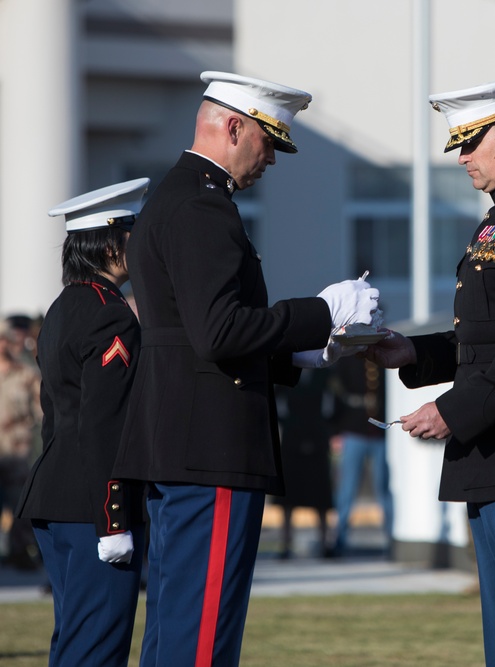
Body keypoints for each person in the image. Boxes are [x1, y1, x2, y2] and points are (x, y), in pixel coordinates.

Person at [113, 71, 380, 666]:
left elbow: (189, 333)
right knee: (201, 635)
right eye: (268, 142)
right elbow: (220, 332)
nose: (271, 161)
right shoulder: (203, 208)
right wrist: (321, 311)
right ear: (234, 127)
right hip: (212, 446)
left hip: (180, 440)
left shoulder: (175, 198)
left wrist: (302, 351)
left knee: (177, 625)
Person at [367, 71, 495, 666]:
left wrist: (452, 410)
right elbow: (488, 334)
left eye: (471, 139)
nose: (460, 155)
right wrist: (416, 353)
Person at [15, 179, 150, 666]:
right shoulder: (110, 315)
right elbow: (104, 424)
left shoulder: (62, 308)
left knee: (74, 640)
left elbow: (60, 417)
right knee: (95, 646)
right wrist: (113, 519)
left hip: (57, 496)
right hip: (93, 506)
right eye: (137, 235)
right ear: (112, 243)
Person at [329, 356, 393, 557]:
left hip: (379, 432)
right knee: (347, 489)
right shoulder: (347, 359)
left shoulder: (381, 358)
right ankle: (340, 539)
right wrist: (336, 431)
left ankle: (392, 541)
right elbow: (337, 396)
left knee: (383, 488)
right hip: (352, 429)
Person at [273, 366, 334, 559]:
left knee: (321, 498)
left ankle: (325, 543)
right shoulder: (287, 370)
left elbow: (333, 407)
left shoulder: (325, 373)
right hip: (292, 442)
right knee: (287, 499)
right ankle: (285, 544)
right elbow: (276, 404)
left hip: (317, 441)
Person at [0, 318, 42, 570]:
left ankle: (20, 551)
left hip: (17, 452)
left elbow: (42, 411)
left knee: (19, 506)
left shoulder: (25, 374)